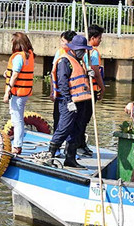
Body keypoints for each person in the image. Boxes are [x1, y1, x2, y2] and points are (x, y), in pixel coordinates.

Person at [49, 35, 92, 168]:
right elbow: (62, 82)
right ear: (75, 49)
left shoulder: (80, 61)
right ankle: (49, 156)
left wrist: (89, 74)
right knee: (64, 128)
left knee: (77, 130)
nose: (84, 52)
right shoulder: (65, 61)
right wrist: (68, 101)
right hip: (68, 102)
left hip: (81, 101)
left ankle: (70, 158)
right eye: (82, 50)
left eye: (85, 50)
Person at [3, 32, 35, 155]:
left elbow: (15, 74)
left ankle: (17, 146)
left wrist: (7, 92)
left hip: (17, 93)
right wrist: (7, 73)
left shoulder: (18, 57)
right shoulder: (29, 55)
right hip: (25, 92)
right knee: (18, 119)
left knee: (17, 120)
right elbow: (16, 72)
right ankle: (17, 144)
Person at [79, 24, 105, 157]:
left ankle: (80, 142)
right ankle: (80, 144)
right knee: (85, 117)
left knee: (83, 117)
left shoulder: (82, 50)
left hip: (83, 89)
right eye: (99, 38)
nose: (100, 40)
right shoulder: (92, 52)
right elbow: (96, 72)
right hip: (90, 89)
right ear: (93, 38)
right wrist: (102, 87)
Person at [51, 30, 77, 134]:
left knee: (70, 121)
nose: (61, 43)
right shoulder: (60, 53)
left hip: (73, 95)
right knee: (57, 119)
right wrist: (52, 91)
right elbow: (53, 74)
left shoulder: (77, 54)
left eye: (63, 41)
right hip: (61, 94)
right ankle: (56, 144)